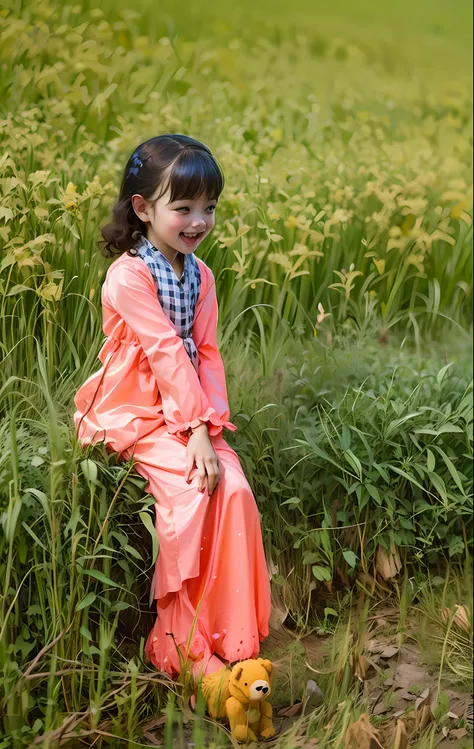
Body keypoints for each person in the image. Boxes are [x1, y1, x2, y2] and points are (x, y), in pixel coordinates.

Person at [73, 134, 272, 681]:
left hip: (190, 410)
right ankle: (178, 642)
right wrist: (194, 434)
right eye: (182, 209)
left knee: (232, 487)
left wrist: (208, 425)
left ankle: (231, 634)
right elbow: (163, 350)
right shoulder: (129, 276)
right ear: (143, 208)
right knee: (191, 491)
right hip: (136, 408)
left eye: (208, 208)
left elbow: (205, 352)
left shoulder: (200, 274)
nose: (198, 221)